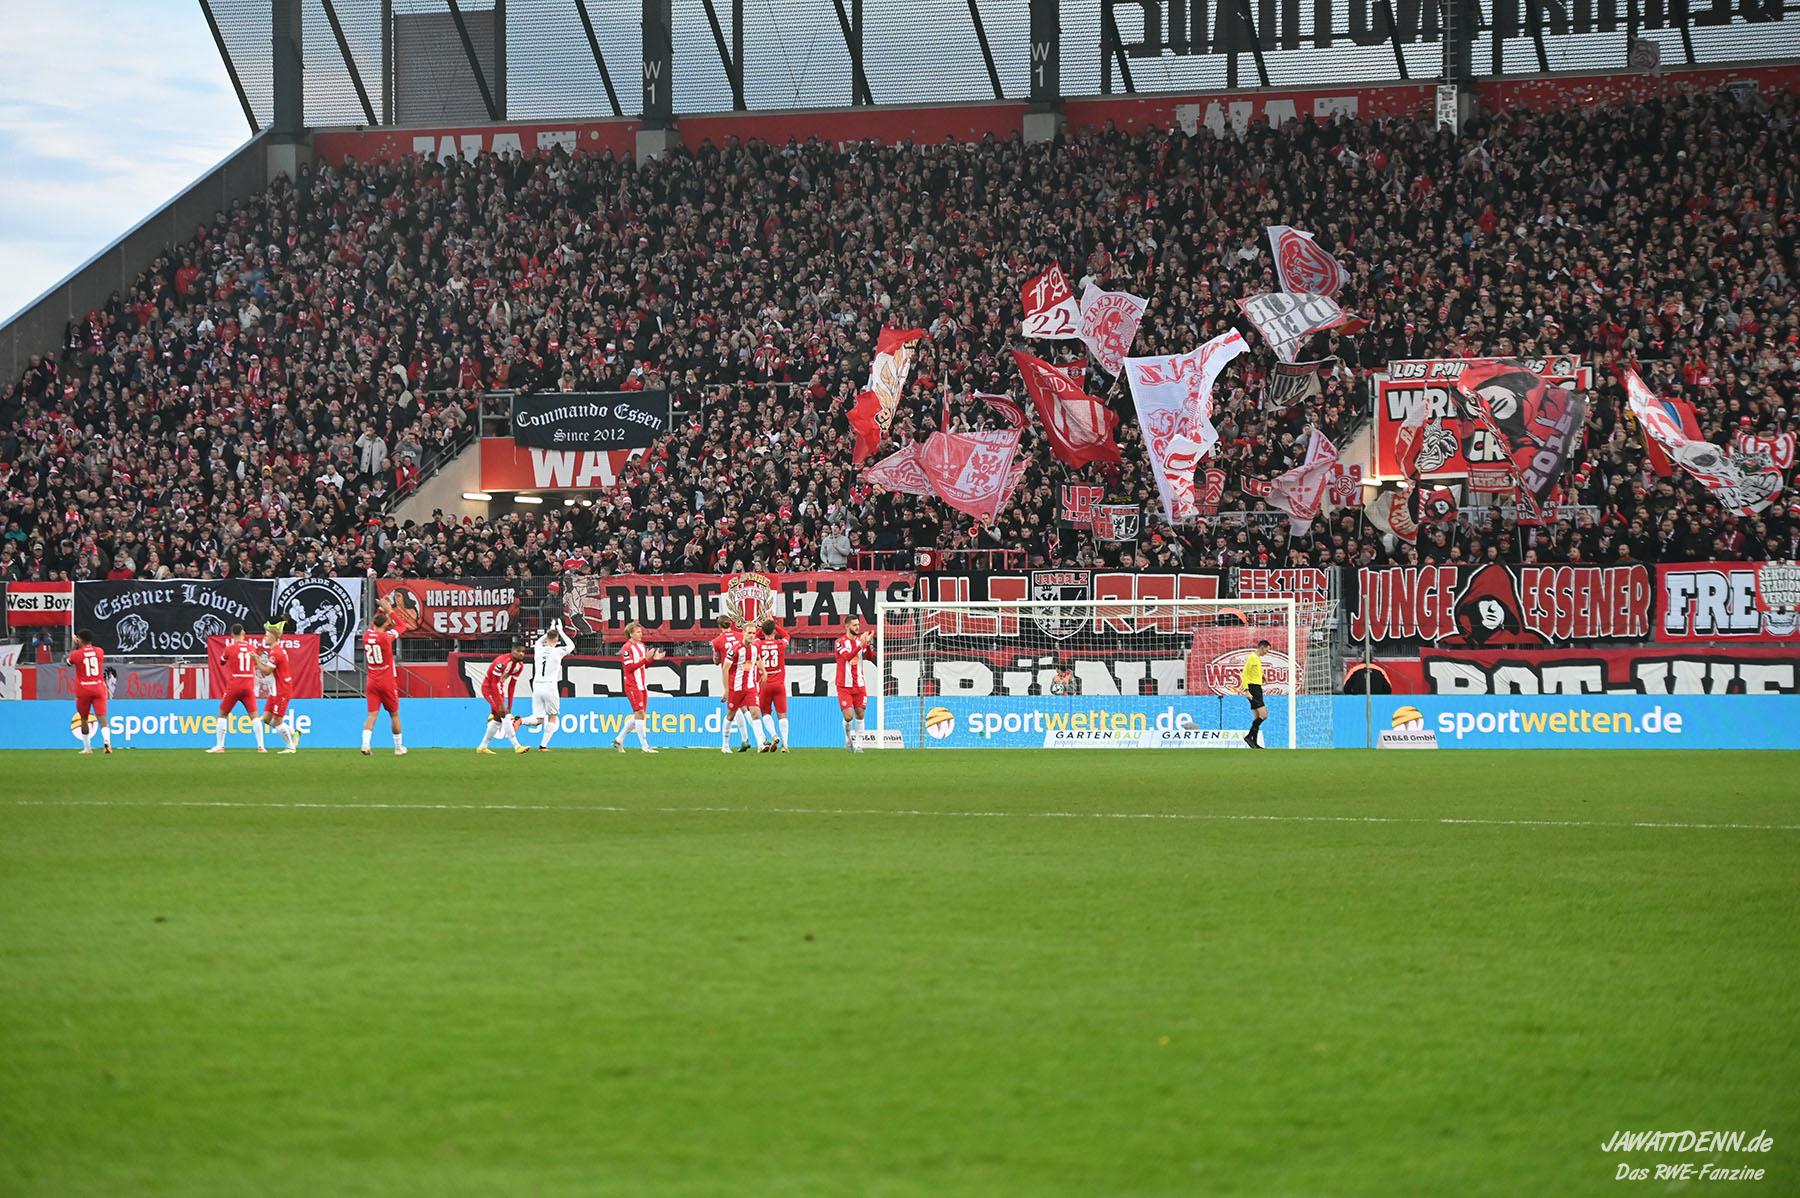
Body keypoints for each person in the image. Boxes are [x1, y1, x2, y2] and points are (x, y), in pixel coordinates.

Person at [612, 621, 666, 753]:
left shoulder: (642, 646)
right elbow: (629, 667)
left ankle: (619, 740)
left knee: (639, 714)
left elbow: (643, 665)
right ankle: (645, 747)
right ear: (631, 634)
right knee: (640, 713)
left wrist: (653, 659)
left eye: (641, 632)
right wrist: (645, 659)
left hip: (641, 684)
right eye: (637, 632)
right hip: (632, 685)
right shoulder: (627, 648)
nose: (640, 634)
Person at [519, 621, 573, 750]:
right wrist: (561, 631)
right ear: (557, 640)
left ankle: (520, 721)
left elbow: (538, 641)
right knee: (552, 717)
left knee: (538, 719)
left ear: (547, 638)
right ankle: (543, 746)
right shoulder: (558, 651)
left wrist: (550, 630)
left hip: (537, 686)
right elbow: (571, 645)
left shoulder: (538, 649)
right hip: (550, 686)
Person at [209, 624, 262, 753]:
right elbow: (256, 662)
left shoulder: (229, 648)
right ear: (243, 632)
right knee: (254, 716)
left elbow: (222, 662)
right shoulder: (252, 648)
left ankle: (220, 746)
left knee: (222, 715)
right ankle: (261, 746)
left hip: (235, 685)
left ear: (232, 634)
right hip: (248, 684)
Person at [361, 605, 406, 756]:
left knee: (371, 715)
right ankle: (398, 747)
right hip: (386, 680)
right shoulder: (386, 637)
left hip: (372, 680)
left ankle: (365, 744)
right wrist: (390, 611)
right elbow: (402, 626)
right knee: (394, 714)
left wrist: (381, 608)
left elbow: (374, 624)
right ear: (387, 624)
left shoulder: (366, 636)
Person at [255, 621, 301, 754]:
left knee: (277, 721)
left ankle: (290, 747)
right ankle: (294, 733)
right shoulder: (275, 651)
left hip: (282, 690)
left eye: (267, 635)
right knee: (267, 718)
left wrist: (256, 660)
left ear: (274, 637)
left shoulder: (276, 653)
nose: (265, 637)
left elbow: (266, 671)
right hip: (274, 691)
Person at [478, 641, 530, 755]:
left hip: (499, 688)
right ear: (512, 651)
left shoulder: (519, 666)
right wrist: (501, 704)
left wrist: (510, 705)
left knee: (499, 717)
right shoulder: (501, 662)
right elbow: (493, 683)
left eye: (523, 652)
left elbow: (512, 685)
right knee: (504, 714)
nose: (521, 654)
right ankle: (517, 746)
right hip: (489, 688)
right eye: (518, 651)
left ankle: (482, 746)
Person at [835, 616, 875, 752]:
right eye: (854, 625)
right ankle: (848, 738)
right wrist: (860, 645)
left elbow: (870, 657)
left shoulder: (860, 642)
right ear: (847, 626)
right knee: (848, 716)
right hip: (844, 686)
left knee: (860, 714)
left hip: (859, 684)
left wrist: (867, 644)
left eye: (858, 624)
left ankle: (858, 745)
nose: (857, 627)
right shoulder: (839, 642)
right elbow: (847, 657)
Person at [67, 628, 111, 755]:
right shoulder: (99, 651)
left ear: (79, 639)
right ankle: (107, 743)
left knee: (84, 719)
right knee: (102, 717)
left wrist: (74, 646)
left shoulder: (76, 654)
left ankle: (87, 748)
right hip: (99, 687)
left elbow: (68, 662)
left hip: (83, 688)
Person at [710, 615, 749, 753]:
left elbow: (716, 661)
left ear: (719, 626)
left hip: (730, 676)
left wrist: (715, 651)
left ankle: (725, 745)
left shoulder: (716, 641)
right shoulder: (740, 635)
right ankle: (746, 739)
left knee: (733, 709)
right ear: (731, 624)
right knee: (741, 707)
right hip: (743, 673)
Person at [752, 618, 791, 753]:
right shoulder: (780, 644)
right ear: (774, 631)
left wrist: (762, 628)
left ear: (763, 632)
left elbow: (755, 636)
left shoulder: (758, 644)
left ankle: (774, 735)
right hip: (779, 684)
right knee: (782, 715)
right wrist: (774, 623)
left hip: (764, 683)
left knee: (765, 713)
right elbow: (787, 635)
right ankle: (785, 745)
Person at [1241, 638, 1270, 750]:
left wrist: (1262, 675)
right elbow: (1244, 674)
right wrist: (1246, 690)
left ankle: (1255, 743)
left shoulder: (1257, 658)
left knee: (1257, 717)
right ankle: (1249, 737)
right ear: (1262, 647)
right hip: (1253, 689)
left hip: (1257, 687)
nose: (1267, 652)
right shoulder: (1252, 657)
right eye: (1267, 650)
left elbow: (1254, 671)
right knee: (1264, 715)